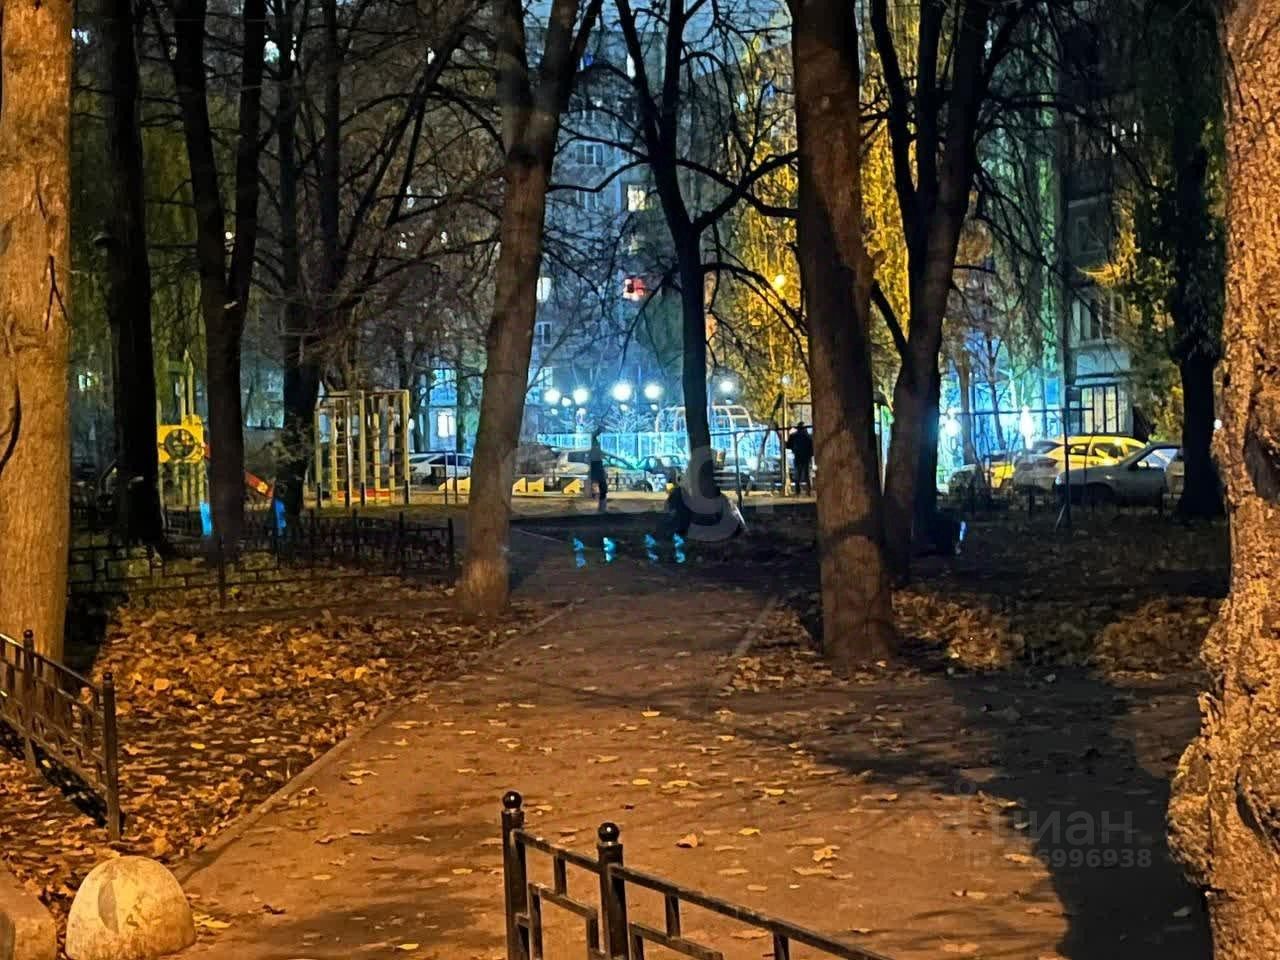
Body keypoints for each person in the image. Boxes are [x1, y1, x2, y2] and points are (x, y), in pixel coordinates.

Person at [786, 422, 814, 495]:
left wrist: (794, 448)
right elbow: (812, 448)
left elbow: (788, 445)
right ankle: (808, 491)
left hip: (798, 457)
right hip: (806, 457)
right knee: (807, 475)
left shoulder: (794, 436)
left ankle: (798, 491)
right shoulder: (808, 436)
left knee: (798, 475)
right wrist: (810, 455)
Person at [588, 428, 608, 511]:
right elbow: (592, 436)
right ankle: (602, 506)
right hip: (596, 464)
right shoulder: (594, 446)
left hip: (597, 464)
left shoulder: (595, 447)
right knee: (602, 486)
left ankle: (602, 506)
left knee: (602, 486)